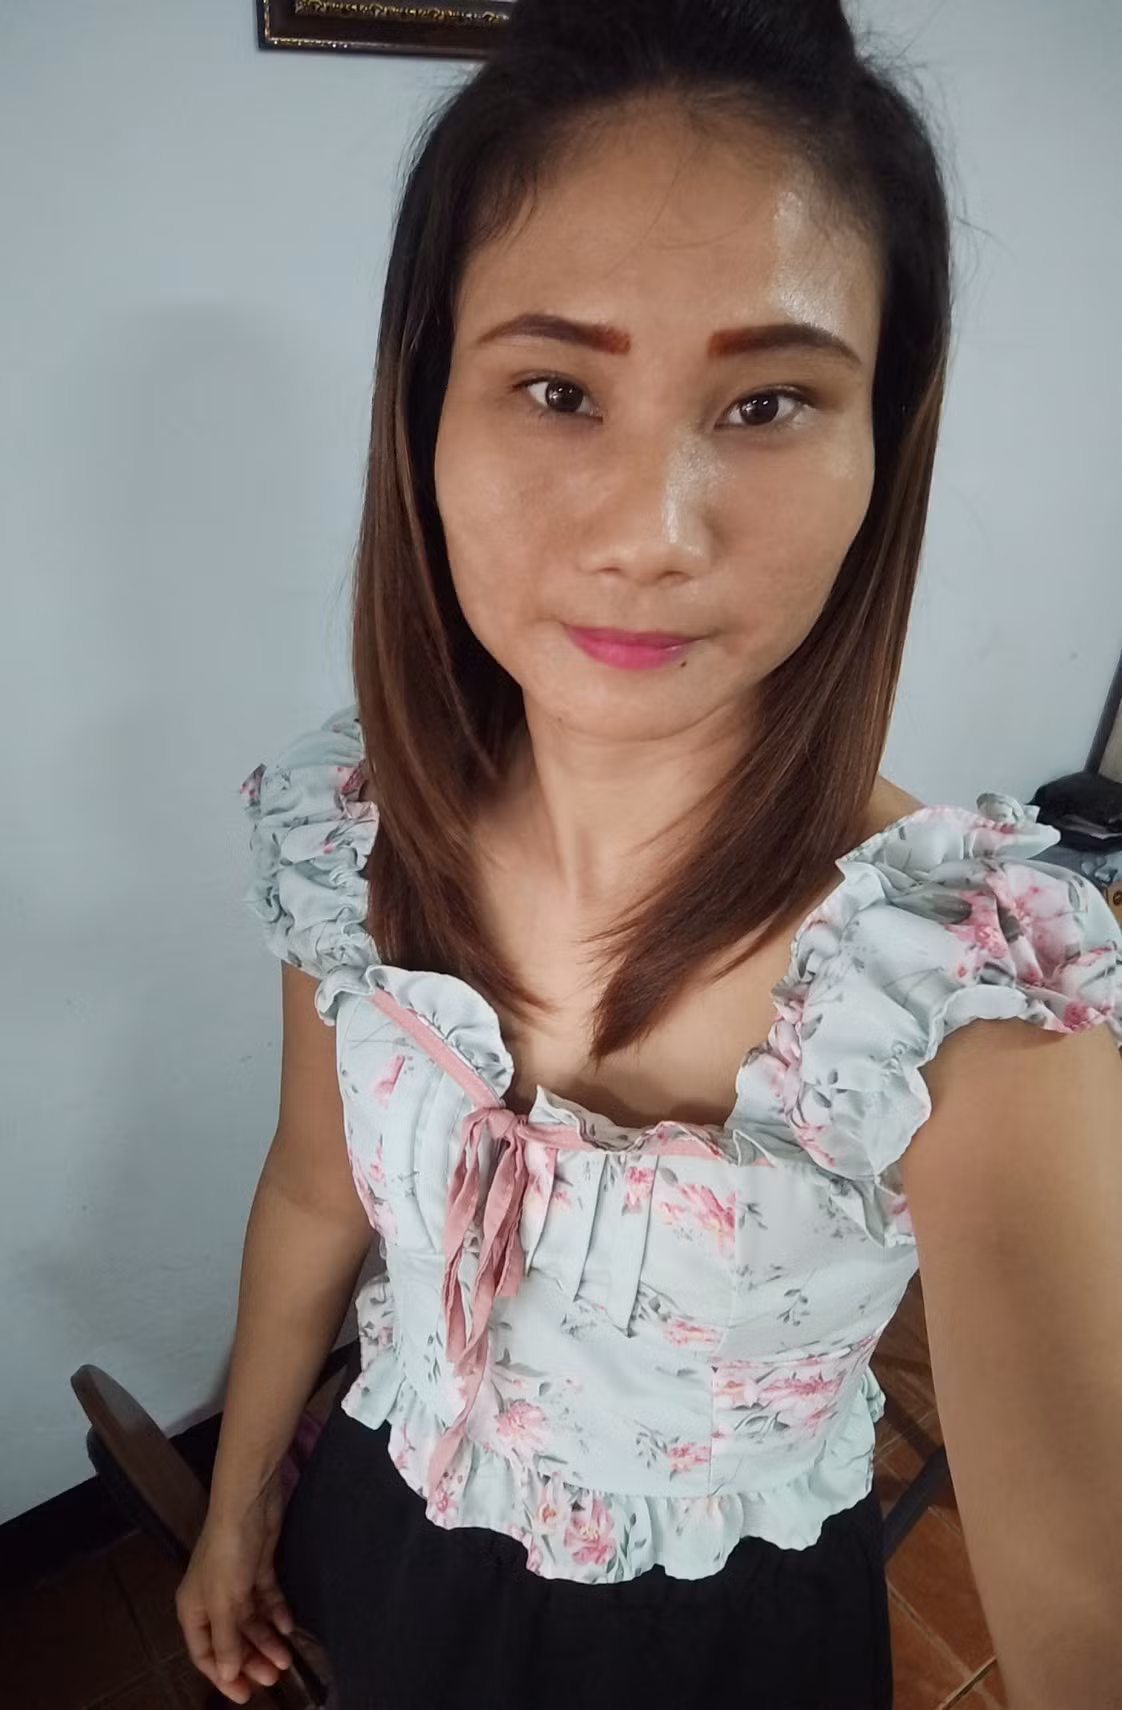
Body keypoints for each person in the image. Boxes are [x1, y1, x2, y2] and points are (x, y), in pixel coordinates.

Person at [176, 1, 1122, 1704]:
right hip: (379, 1538)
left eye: (765, 402)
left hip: (724, 1639)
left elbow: (1085, 1589)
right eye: (556, 388)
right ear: (426, 409)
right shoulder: (349, 829)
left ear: (879, 441)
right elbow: (316, 1187)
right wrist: (233, 1508)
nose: (649, 533)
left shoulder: (968, 1002)